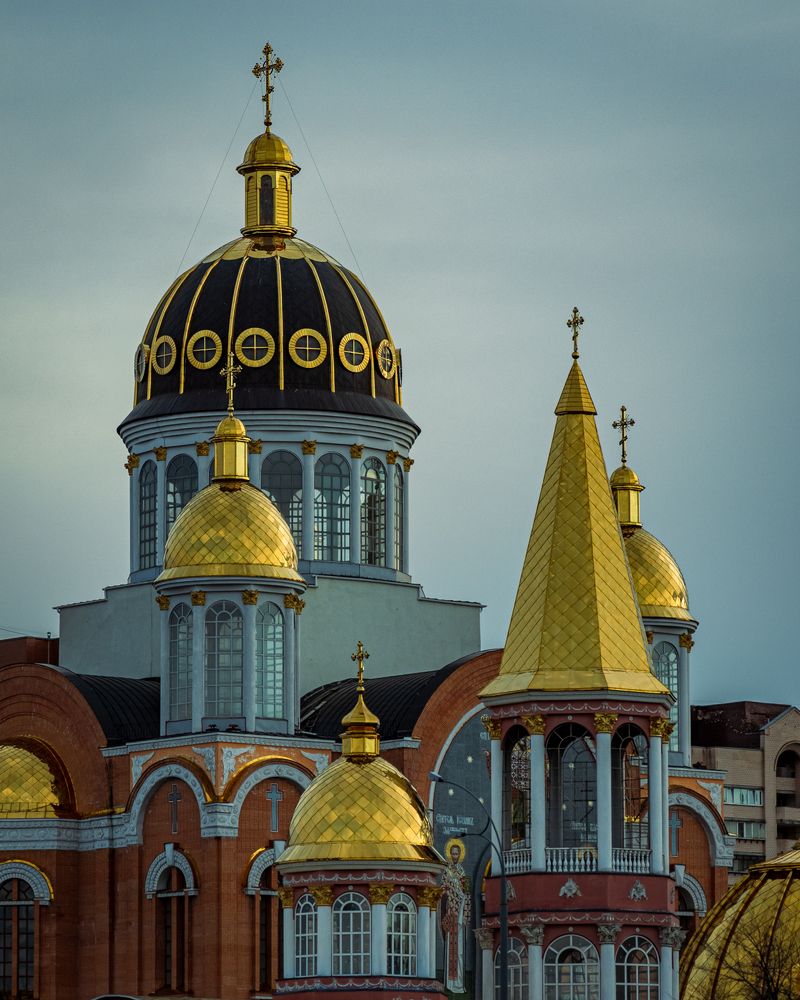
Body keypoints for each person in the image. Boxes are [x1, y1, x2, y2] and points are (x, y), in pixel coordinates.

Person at [441, 838, 471, 992]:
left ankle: (459, 982)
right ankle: (450, 984)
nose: (454, 856)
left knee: (459, 949)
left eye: (457, 854)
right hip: (451, 911)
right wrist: (453, 894)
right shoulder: (447, 871)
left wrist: (464, 893)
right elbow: (444, 889)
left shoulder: (461, 871)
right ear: (449, 855)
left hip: (460, 910)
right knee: (451, 948)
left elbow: (465, 888)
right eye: (452, 854)